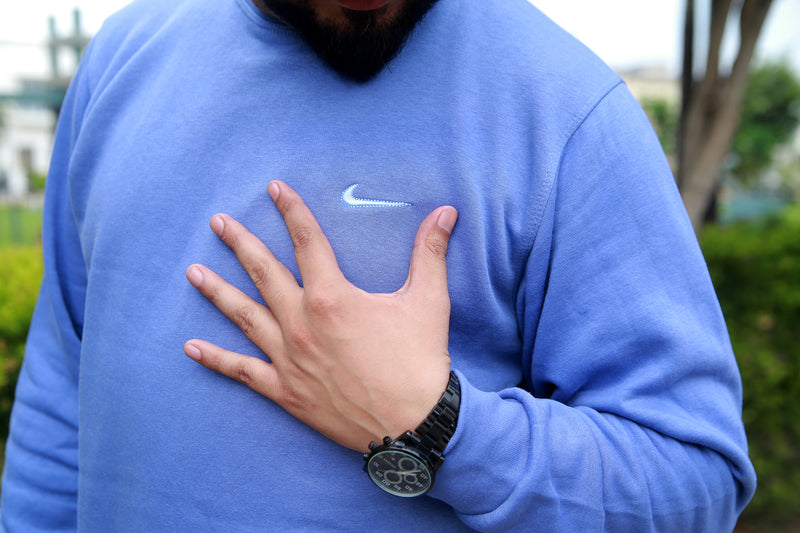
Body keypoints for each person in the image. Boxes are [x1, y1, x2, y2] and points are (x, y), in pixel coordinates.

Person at [1, 0, 757, 530]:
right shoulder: (120, 60)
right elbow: (61, 393)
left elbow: (695, 483)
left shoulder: (568, 109)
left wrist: (437, 425)